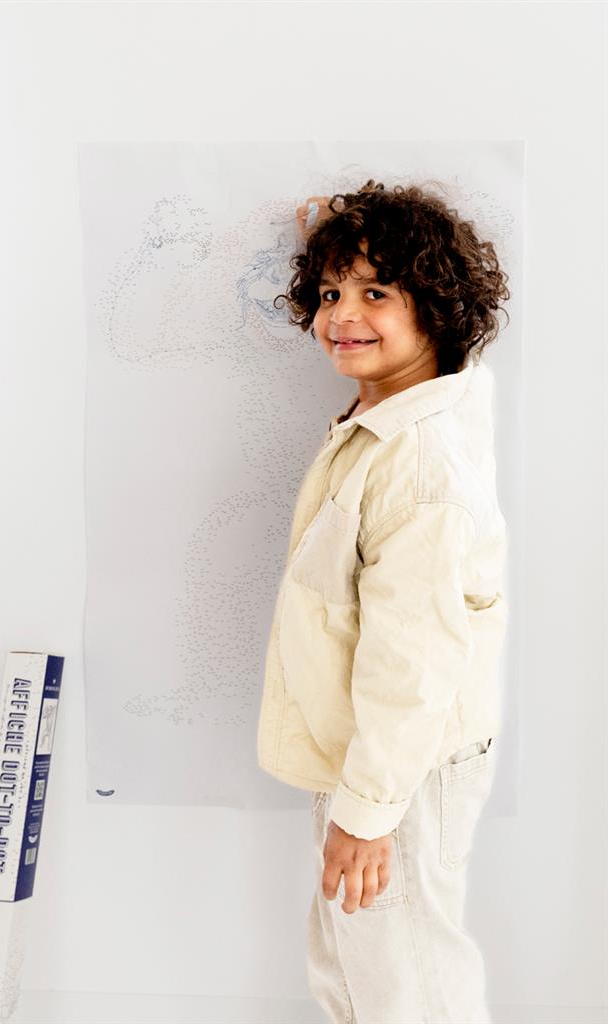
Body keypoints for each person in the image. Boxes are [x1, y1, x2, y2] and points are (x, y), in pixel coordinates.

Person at [256, 180, 511, 1023]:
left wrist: (367, 815)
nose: (342, 315)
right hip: (368, 757)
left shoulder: (419, 463)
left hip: (400, 766)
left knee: (406, 985)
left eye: (375, 293)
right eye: (330, 292)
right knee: (354, 971)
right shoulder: (387, 425)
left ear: (434, 305)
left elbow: (414, 659)